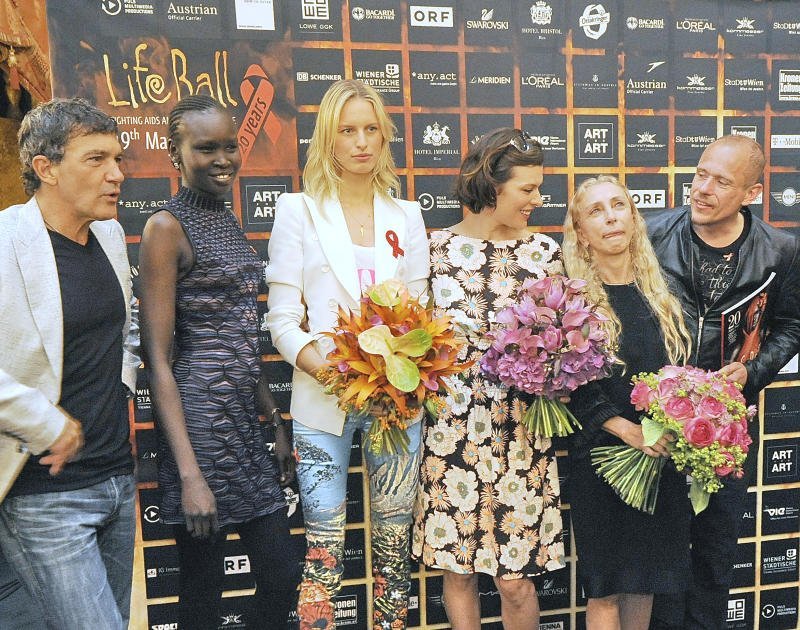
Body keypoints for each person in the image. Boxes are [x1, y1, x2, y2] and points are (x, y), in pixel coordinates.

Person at [266, 78, 429, 629]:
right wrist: (338, 377)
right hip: (322, 402)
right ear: (327, 139)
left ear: (385, 137)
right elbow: (282, 322)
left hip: (397, 407)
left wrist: (394, 380)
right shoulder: (298, 210)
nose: (361, 142)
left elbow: (420, 318)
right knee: (324, 552)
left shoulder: (407, 216)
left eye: (371, 130)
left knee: (393, 552)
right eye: (347, 130)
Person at [139, 94, 299, 630]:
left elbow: (240, 340)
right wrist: (189, 475)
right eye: (206, 148)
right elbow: (158, 359)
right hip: (198, 433)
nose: (223, 159)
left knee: (281, 576)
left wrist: (273, 421)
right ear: (175, 153)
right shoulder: (165, 228)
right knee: (202, 593)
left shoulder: (226, 218)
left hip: (245, 432)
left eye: (230, 146)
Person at [411, 128, 565, 630]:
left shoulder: (544, 252)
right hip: (450, 430)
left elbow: (563, 339)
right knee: (458, 572)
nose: (538, 200)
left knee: (516, 583)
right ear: (492, 185)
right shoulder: (434, 251)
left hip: (521, 432)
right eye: (528, 189)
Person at [647, 134, 800, 630]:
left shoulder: (780, 250)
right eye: (700, 174)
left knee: (714, 558)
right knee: (660, 562)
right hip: (655, 426)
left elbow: (792, 325)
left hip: (725, 428)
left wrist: (752, 371)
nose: (703, 189)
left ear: (751, 194)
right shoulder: (651, 234)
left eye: (721, 181)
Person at [0, 97, 139, 629]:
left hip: (115, 481)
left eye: (117, 159)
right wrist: (44, 421)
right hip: (43, 495)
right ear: (47, 168)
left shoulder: (109, 235)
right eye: (96, 159)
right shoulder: (7, 242)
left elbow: (124, 328)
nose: (116, 174)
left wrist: (122, 387)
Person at [562, 176, 693, 629]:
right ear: (581, 233)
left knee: (645, 583)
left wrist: (675, 425)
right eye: (595, 211)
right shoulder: (573, 302)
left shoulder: (665, 296)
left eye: (619, 205)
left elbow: (682, 375)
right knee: (607, 587)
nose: (610, 217)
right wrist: (626, 430)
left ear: (634, 219)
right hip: (601, 461)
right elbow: (572, 387)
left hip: (659, 459)